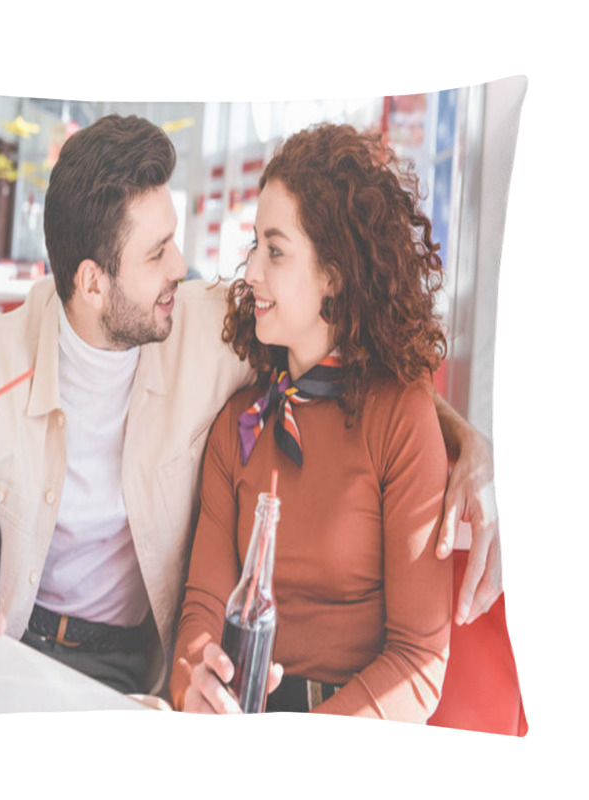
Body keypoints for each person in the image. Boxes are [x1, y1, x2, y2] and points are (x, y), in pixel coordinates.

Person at [0, 114, 500, 724]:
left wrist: (462, 437)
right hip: (7, 646)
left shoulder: (205, 323)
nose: (183, 269)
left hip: (128, 668)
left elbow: (347, 357)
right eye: (158, 250)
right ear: (92, 283)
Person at [170, 123, 455, 721]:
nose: (249, 272)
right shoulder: (237, 422)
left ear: (335, 273)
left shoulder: (400, 416)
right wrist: (195, 683)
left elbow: (419, 660)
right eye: (254, 247)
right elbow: (201, 608)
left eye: (275, 251)